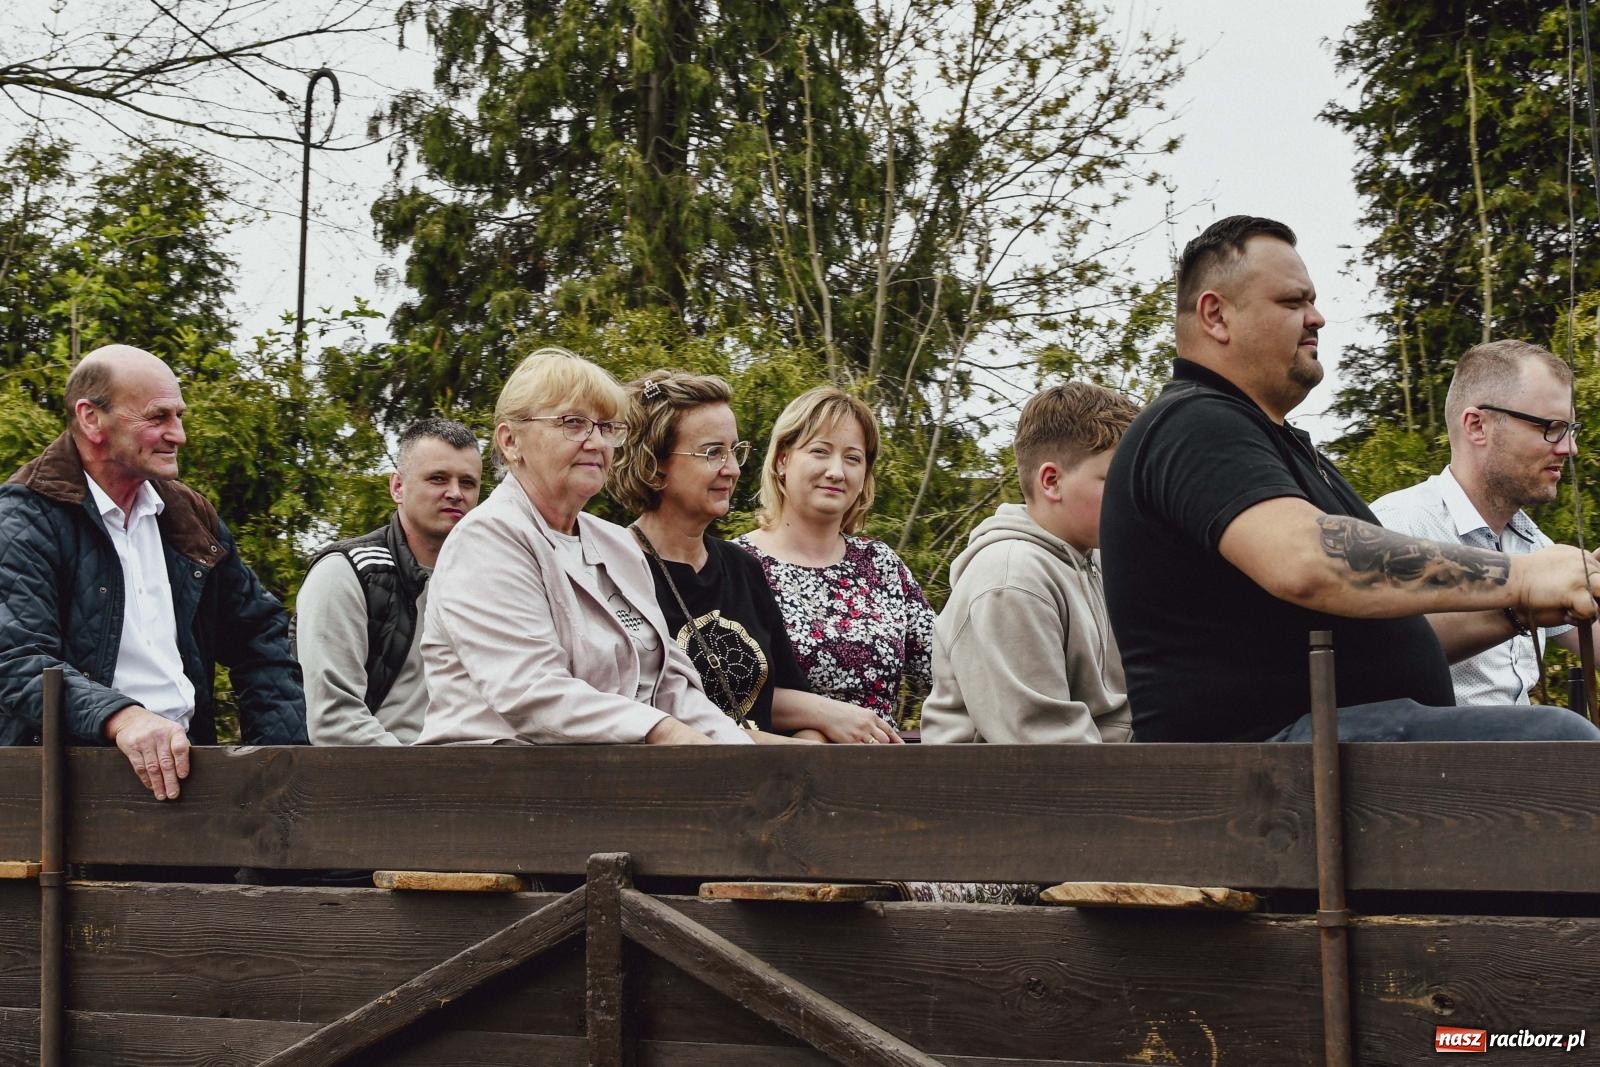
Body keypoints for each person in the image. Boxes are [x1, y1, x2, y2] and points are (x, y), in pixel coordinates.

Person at [1098, 215, 1600, 743]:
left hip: (1323, 757)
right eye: (1292, 302)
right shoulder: (1192, 423)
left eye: (1312, 301)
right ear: (1216, 315)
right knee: (1559, 743)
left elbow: (1398, 642)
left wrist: (1515, 613)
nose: (1317, 318)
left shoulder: (1279, 446)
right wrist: (1519, 576)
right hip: (1268, 768)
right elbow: (1306, 559)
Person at [0, 344, 306, 800]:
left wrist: (276, 764)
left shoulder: (188, 514)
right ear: (91, 419)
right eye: (158, 417)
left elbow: (260, 636)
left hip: (190, 777)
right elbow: (16, 661)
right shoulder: (23, 519)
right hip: (69, 795)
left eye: (178, 416)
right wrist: (122, 717)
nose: (178, 434)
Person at [415, 347, 752, 746]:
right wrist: (664, 731)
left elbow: (671, 687)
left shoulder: (619, 545)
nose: (596, 442)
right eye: (573, 423)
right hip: (498, 776)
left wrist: (739, 755)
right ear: (510, 441)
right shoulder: (485, 540)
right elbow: (532, 691)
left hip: (620, 774)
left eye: (607, 427)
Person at [614, 370, 900, 743]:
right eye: (713, 453)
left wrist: (811, 750)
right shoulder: (614, 568)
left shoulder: (742, 568)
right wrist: (800, 758)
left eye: (734, 451)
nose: (733, 469)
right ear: (654, 462)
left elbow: (791, 703)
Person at [1373, 340, 1592, 706]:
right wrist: (1518, 605)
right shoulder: (1395, 528)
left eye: (1572, 429)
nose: (1569, 448)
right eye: (1552, 427)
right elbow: (1373, 659)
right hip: (1434, 744)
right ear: (1477, 426)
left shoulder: (1533, 543)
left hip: (1527, 741)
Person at [922, 381, 1137, 744]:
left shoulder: (1098, 562)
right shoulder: (1011, 579)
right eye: (1116, 478)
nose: (1133, 493)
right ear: (1051, 482)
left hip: (1100, 768)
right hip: (1005, 780)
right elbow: (1045, 745)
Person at [734, 386, 934, 729]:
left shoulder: (880, 564)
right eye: (820, 451)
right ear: (782, 460)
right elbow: (718, 692)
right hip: (777, 760)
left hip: (880, 759)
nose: (837, 472)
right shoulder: (736, 565)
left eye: (853, 458)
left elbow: (948, 665)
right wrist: (825, 715)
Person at [298, 417, 482, 745]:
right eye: (438, 478)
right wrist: (417, 772)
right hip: (380, 771)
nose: (455, 493)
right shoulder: (345, 573)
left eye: (467, 483)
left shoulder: (490, 580)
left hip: (484, 767)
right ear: (398, 487)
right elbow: (334, 720)